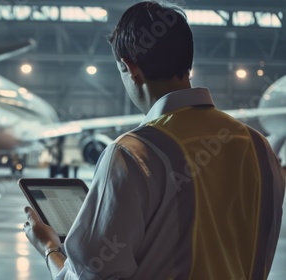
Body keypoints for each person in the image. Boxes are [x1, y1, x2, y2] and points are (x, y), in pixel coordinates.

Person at [23, 2, 285, 279]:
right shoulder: (259, 148)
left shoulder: (132, 153)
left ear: (129, 68)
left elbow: (91, 274)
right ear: (187, 62)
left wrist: (50, 248)